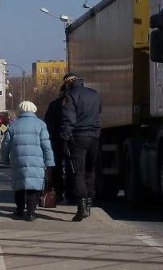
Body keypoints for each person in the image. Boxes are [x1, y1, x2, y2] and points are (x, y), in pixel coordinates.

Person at [0, 100, 55, 221]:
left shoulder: (12, 125)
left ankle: (19, 210)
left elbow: (5, 145)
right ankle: (31, 213)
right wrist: (50, 161)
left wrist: (4, 160)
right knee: (33, 187)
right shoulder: (41, 125)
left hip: (18, 160)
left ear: (20, 110)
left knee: (19, 186)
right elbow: (46, 145)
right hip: (36, 161)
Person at [60, 72, 102, 222]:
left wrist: (65, 137)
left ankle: (81, 206)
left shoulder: (70, 95)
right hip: (95, 136)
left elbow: (68, 119)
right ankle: (89, 204)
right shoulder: (95, 94)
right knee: (91, 171)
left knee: (78, 172)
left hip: (78, 137)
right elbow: (99, 113)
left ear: (68, 83)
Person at [43, 83, 70, 203]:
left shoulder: (54, 104)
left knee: (56, 167)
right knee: (73, 166)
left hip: (56, 140)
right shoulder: (75, 104)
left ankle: (58, 193)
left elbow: (47, 123)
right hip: (72, 140)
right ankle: (72, 193)